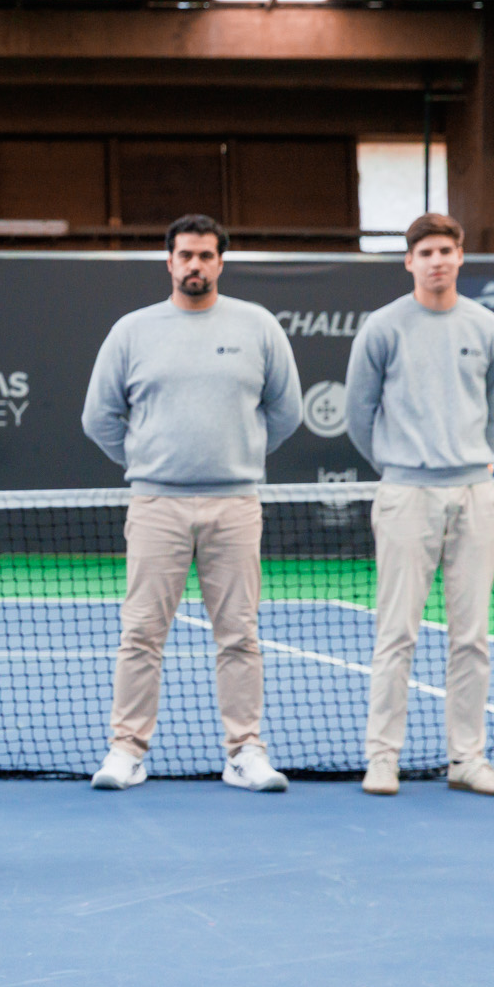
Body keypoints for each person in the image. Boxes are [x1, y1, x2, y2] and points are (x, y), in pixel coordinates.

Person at [80, 214, 302, 792]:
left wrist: (237, 455)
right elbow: (99, 416)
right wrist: (152, 461)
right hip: (157, 504)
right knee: (141, 634)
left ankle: (245, 751)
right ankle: (126, 750)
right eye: (186, 255)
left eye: (206, 255)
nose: (195, 265)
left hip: (236, 504)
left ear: (220, 262)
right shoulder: (133, 330)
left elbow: (285, 413)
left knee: (239, 633)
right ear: (170, 261)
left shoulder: (258, 326)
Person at [345, 212, 494, 797]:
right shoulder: (383, 329)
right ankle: (382, 759)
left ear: (460, 258)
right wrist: (397, 465)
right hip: (406, 494)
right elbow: (360, 413)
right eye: (426, 251)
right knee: (396, 633)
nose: (437, 260)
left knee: (472, 636)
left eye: (446, 251)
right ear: (409, 261)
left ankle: (467, 759)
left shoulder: (485, 326)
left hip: (474, 495)